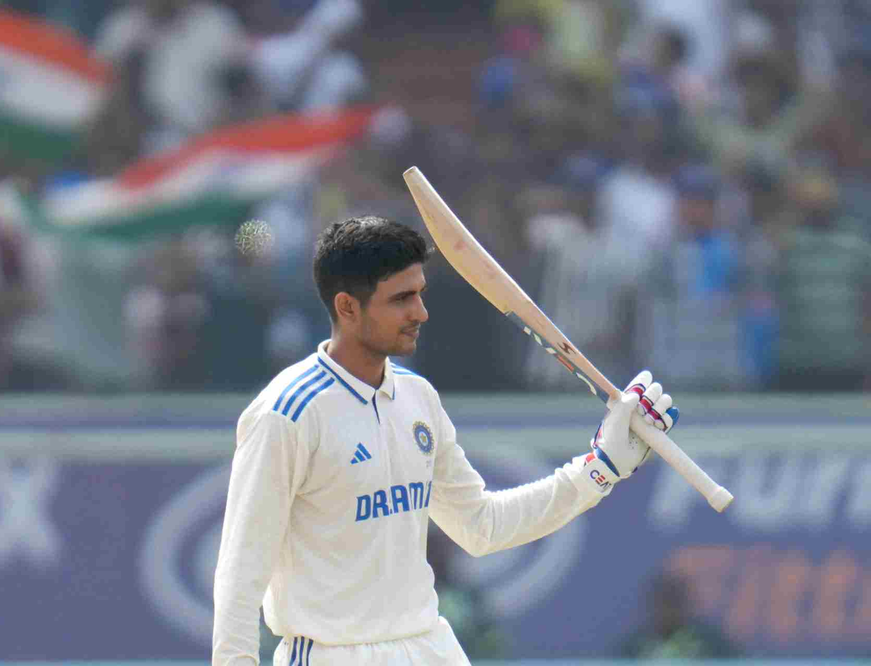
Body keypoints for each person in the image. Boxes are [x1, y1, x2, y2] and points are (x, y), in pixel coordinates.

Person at [212, 215, 679, 665]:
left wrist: (600, 469)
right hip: (333, 654)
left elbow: (482, 526)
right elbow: (240, 573)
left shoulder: (418, 398)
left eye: (420, 293)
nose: (421, 312)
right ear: (347, 306)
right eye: (401, 299)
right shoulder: (285, 414)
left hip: (427, 647)